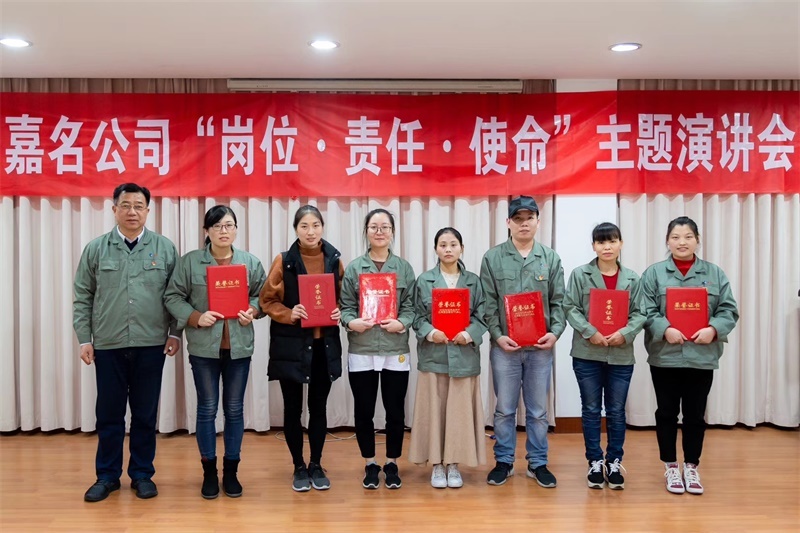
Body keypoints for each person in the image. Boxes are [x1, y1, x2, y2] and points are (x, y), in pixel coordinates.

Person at [74, 183, 181, 502]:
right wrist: (84, 339)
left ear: (148, 210)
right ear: (114, 209)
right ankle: (107, 476)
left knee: (145, 414)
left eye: (138, 206)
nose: (132, 211)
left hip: (151, 343)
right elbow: (83, 296)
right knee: (109, 414)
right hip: (108, 344)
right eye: (125, 205)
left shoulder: (164, 248)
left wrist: (175, 332)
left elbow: (176, 295)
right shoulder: (96, 249)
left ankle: (142, 474)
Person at [164, 205, 266, 499]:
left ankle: (231, 471)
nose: (224, 231)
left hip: (239, 348)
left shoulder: (249, 262)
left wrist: (252, 311)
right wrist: (196, 316)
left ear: (236, 229)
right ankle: (209, 471)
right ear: (206, 231)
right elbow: (173, 296)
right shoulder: (190, 262)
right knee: (207, 409)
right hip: (203, 349)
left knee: (234, 409)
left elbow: (263, 295)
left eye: (229, 225)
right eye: (218, 226)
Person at [641, 216, 738, 495]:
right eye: (675, 237)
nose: (681, 242)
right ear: (667, 241)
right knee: (666, 413)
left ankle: (692, 466)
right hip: (665, 356)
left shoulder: (714, 273)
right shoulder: (654, 273)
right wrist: (665, 329)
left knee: (695, 415)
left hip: (701, 355)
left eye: (687, 237)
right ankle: (671, 466)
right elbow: (645, 309)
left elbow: (728, 310)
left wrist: (713, 329)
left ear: (697, 240)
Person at [479, 195, 565, 488]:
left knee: (538, 411)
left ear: (538, 222)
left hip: (540, 348)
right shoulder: (493, 258)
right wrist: (497, 334)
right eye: (518, 218)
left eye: (529, 218)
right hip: (505, 348)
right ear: (508, 222)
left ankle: (538, 463)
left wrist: (555, 332)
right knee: (504, 408)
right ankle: (503, 461)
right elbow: (488, 302)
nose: (524, 224)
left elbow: (559, 301)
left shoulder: (550, 258)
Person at [259, 205, 345, 492]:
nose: (310, 232)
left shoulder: (334, 259)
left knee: (318, 407)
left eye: (315, 225)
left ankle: (316, 464)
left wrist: (339, 309)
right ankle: (298, 465)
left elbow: (345, 297)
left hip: (324, 345)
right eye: (304, 226)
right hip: (292, 345)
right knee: (293, 408)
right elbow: (267, 300)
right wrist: (289, 313)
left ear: (323, 227)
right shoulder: (284, 261)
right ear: (295, 229)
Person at [563, 222, 645, 490]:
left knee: (616, 411)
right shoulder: (580, 274)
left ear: (621, 244)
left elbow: (640, 313)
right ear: (593, 246)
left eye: (612, 241)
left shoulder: (632, 278)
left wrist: (625, 333)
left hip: (621, 354)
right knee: (590, 409)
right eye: (601, 242)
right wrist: (590, 332)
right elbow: (570, 307)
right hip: (587, 353)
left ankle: (614, 461)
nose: (607, 247)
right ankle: (595, 462)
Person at [340, 208, 416, 489]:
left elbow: (411, 306)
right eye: (374, 226)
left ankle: (392, 462)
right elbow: (345, 306)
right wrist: (351, 322)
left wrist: (402, 322)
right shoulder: (354, 268)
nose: (380, 231)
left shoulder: (404, 268)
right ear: (366, 232)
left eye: (385, 227)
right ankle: (370, 463)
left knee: (395, 411)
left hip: (395, 348)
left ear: (392, 232)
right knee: (364, 411)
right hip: (362, 348)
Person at [409, 227, 488, 488]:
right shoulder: (425, 280)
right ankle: (436, 465)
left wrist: (469, 333)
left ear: (462, 248)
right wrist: (430, 332)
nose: (448, 249)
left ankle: (453, 464)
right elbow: (416, 315)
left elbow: (483, 315)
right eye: (443, 245)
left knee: (458, 412)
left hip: (464, 355)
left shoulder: (473, 281)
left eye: (453, 244)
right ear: (436, 249)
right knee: (435, 411)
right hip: (434, 356)